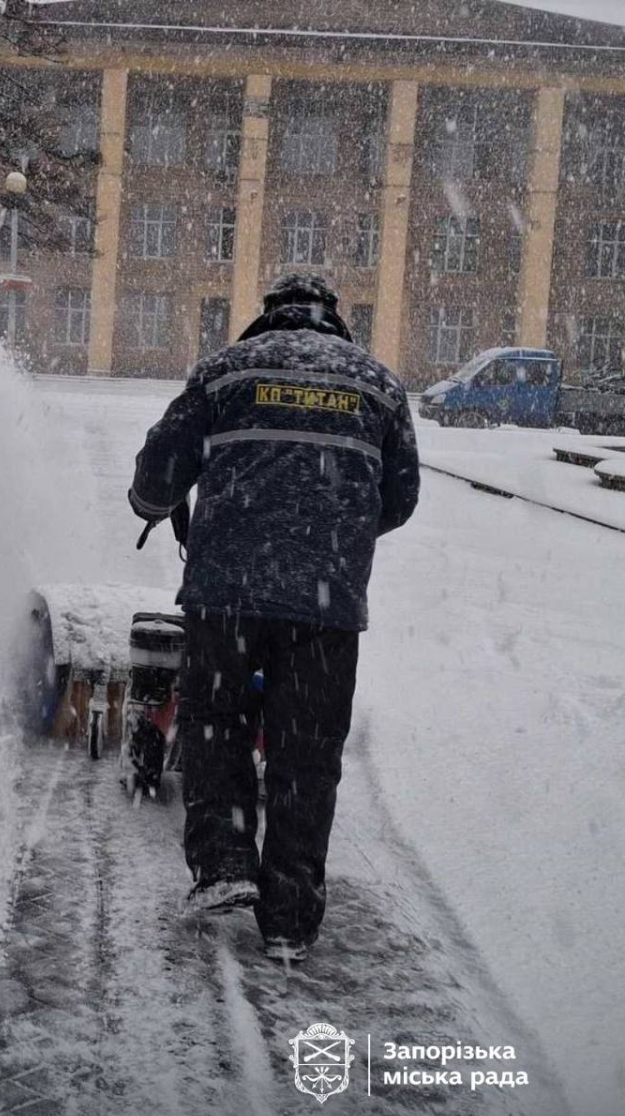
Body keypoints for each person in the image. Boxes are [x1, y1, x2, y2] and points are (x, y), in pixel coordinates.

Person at [128, 274, 420, 962]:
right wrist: (332, 535)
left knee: (215, 719)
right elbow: (401, 497)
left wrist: (149, 503)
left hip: (227, 589)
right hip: (326, 604)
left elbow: (160, 468)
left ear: (269, 318)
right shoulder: (377, 384)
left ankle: (226, 865)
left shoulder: (227, 369)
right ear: (333, 323)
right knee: (307, 751)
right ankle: (289, 917)